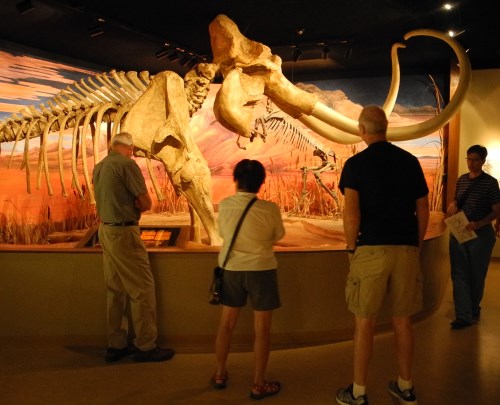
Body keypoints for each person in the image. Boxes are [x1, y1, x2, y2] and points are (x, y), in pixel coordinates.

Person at [336, 105, 429, 405]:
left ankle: (359, 392)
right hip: (405, 249)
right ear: (385, 129)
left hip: (370, 249)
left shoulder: (355, 165)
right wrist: (415, 244)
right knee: (403, 321)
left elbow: (351, 215)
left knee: (365, 323)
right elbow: (423, 209)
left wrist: (352, 249)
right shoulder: (410, 161)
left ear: (362, 131)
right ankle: (405, 387)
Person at [92, 131, 175, 363]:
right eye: (133, 150)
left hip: (105, 231)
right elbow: (146, 202)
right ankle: (146, 345)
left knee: (115, 288)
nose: (133, 153)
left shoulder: (99, 166)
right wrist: (140, 204)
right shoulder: (127, 165)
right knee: (142, 288)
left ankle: (116, 344)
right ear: (128, 148)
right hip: (124, 233)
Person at [211, 159, 285, 400]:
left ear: (235, 180)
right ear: (261, 183)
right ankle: (258, 384)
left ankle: (220, 374)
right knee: (262, 330)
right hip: (262, 271)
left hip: (231, 270)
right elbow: (278, 235)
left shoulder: (225, 206)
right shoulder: (270, 209)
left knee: (226, 325)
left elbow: (222, 234)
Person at [445, 144, 500, 330]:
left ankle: (473, 308)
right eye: (469, 159)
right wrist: (453, 204)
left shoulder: (491, 183)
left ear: (483, 161)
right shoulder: (462, 180)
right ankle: (463, 315)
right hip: (460, 229)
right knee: (458, 273)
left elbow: (496, 211)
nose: (471, 163)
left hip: (481, 233)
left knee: (476, 274)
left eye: (475, 159)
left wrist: (479, 224)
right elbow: (457, 200)